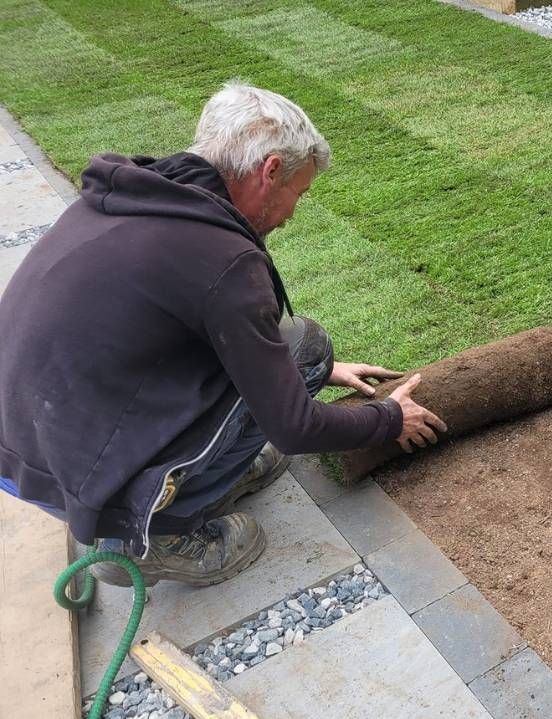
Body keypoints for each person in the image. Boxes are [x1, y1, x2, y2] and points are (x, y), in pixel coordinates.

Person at [0, 81, 446, 586]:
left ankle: (192, 483)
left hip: (27, 445)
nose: (293, 213)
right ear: (270, 171)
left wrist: (313, 371)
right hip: (76, 477)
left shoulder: (131, 194)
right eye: (297, 193)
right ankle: (155, 537)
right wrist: (388, 419)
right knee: (306, 353)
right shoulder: (222, 259)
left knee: (303, 352)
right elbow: (293, 428)